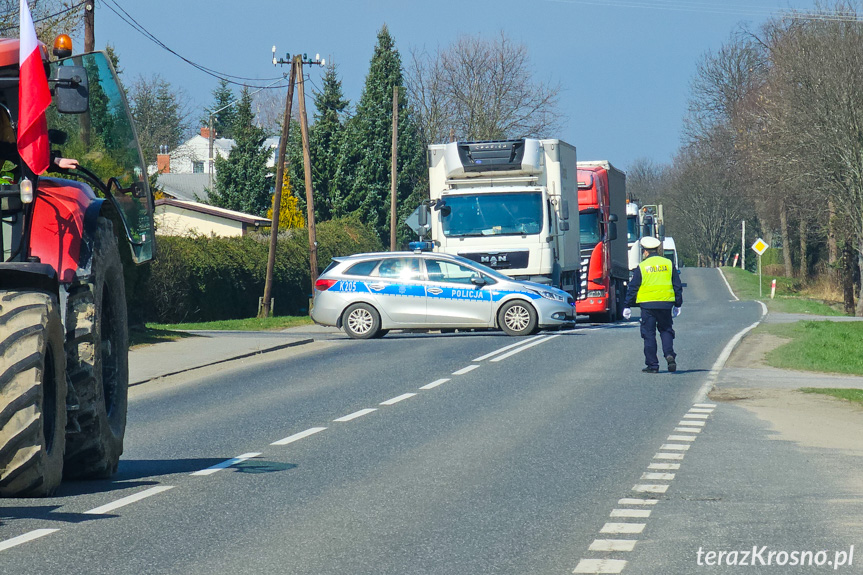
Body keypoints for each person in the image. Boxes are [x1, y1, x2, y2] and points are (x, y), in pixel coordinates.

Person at [622, 236, 683, 373]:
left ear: (645, 252)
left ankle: (653, 365)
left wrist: (627, 305)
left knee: (649, 334)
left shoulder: (642, 267)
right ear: (657, 250)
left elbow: (633, 287)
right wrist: (678, 304)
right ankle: (669, 354)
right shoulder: (668, 264)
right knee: (666, 330)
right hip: (666, 304)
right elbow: (677, 285)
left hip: (648, 306)